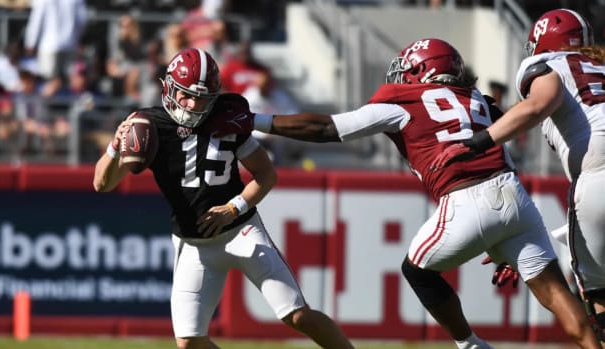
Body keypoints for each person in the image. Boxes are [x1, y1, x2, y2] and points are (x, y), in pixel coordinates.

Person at [211, 38, 601, 349]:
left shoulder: (403, 100)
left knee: (417, 271)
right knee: (568, 310)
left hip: (466, 199)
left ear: (420, 70)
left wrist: (256, 121)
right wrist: (504, 237)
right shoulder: (479, 100)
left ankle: (469, 344)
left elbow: (328, 128)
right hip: (515, 197)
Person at [92, 47, 354, 349]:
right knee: (189, 342)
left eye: (202, 97)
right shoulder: (148, 125)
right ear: (169, 88)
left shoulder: (225, 120)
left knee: (296, 315)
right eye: (186, 95)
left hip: (241, 230)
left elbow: (266, 175)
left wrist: (233, 208)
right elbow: (102, 183)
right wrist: (115, 145)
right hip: (194, 244)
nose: (193, 104)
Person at [430, 8, 605, 342]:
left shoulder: (547, 65)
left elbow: (542, 101)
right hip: (595, 180)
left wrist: (479, 142)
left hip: (595, 176)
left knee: (600, 298)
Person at [23, 0, 87, 96]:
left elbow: (36, 21)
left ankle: (51, 108)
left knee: (48, 81)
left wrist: (30, 42)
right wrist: (77, 38)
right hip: (69, 44)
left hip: (48, 45)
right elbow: (82, 20)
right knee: (66, 82)